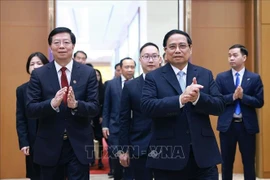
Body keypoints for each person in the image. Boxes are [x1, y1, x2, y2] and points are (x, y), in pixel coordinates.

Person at [140, 29, 225, 180]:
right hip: (167, 156)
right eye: (172, 47)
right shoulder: (154, 77)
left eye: (182, 46)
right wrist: (180, 99)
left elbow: (219, 106)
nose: (177, 50)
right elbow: (147, 106)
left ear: (190, 49)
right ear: (165, 51)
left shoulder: (204, 74)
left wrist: (198, 98)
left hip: (203, 155)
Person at [26, 27, 99, 180]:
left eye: (66, 42)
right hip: (49, 144)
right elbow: (30, 109)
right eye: (56, 42)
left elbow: (94, 107)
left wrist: (76, 105)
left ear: (73, 46)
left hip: (78, 144)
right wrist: (51, 104)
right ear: (50, 47)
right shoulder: (39, 74)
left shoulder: (88, 73)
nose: (61, 46)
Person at [216, 44, 264, 180]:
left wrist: (244, 97)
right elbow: (217, 99)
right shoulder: (221, 77)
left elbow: (259, 102)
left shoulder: (254, 78)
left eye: (235, 55)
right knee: (226, 162)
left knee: (249, 162)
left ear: (244, 57)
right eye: (229, 55)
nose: (231, 58)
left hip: (247, 126)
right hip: (227, 126)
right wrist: (233, 96)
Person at [118, 42, 161, 180]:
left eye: (154, 56)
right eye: (146, 56)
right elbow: (124, 119)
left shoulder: (170, 82)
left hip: (168, 144)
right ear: (140, 60)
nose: (150, 60)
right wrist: (123, 149)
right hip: (139, 144)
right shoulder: (130, 86)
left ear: (160, 59)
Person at [16, 52, 49, 180]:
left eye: (39, 63)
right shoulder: (22, 90)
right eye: (32, 64)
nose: (35, 66)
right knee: (35, 174)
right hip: (33, 139)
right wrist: (24, 142)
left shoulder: (53, 87)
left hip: (52, 139)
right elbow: (21, 118)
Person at [102, 57, 136, 180]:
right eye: (127, 67)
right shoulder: (111, 84)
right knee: (116, 159)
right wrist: (105, 125)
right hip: (115, 127)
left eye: (132, 67)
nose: (130, 70)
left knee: (132, 160)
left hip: (133, 127)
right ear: (120, 69)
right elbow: (107, 106)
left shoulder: (138, 83)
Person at [92, 69, 105, 169]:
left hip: (99, 117)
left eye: (98, 75)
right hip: (88, 117)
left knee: (99, 138)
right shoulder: (88, 86)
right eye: (94, 75)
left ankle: (100, 160)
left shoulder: (103, 88)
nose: (96, 77)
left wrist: (102, 116)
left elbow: (105, 104)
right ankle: (91, 159)